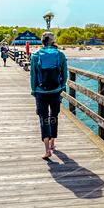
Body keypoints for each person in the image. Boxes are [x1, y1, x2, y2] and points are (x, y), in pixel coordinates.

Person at [30, 31, 67, 160]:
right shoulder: (60, 55)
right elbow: (65, 74)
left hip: (41, 91)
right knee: (54, 116)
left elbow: (33, 76)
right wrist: (61, 86)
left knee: (43, 118)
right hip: (55, 91)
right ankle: (52, 143)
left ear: (42, 41)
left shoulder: (35, 55)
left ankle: (47, 150)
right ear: (53, 41)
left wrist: (34, 91)